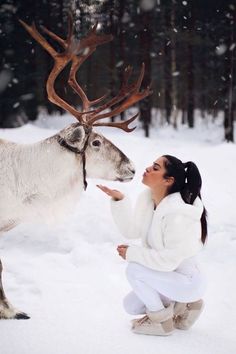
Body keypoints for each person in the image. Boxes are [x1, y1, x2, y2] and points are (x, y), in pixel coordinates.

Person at [97, 155, 207, 336]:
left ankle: (162, 322)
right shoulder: (149, 199)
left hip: (188, 282)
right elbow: (132, 230)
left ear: (168, 180)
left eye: (156, 168)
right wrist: (120, 200)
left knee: (134, 270)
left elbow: (168, 261)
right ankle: (185, 306)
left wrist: (133, 254)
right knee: (131, 306)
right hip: (169, 277)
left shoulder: (177, 215)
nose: (148, 168)